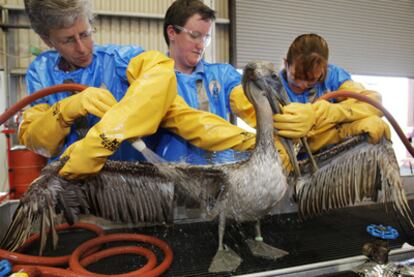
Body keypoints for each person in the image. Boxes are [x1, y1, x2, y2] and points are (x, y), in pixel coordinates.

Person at [19, 0, 292, 179]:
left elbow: (186, 117)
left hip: (133, 188)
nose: (81, 48)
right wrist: (66, 109)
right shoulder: (41, 72)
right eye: (68, 40)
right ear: (47, 39)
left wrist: (263, 141)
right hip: (72, 189)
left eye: (86, 34)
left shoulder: (121, 62)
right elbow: (38, 140)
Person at [231, 33, 391, 153]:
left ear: (324, 69)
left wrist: (324, 113)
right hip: (292, 158)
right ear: (285, 63)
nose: (303, 84)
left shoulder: (334, 76)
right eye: (297, 77)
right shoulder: (271, 86)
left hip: (330, 152)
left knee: (373, 124)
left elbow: (372, 103)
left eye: (312, 79)